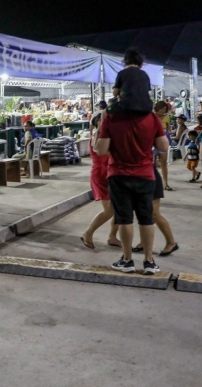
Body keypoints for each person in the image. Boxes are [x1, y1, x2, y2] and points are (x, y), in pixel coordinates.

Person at [95, 98, 169, 275]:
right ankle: (149, 261)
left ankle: (127, 260)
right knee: (146, 218)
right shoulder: (152, 118)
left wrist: (103, 125)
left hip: (119, 176)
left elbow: (101, 150)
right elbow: (163, 146)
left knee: (124, 218)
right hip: (144, 175)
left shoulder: (111, 118)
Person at [81, 103, 121, 250]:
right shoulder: (97, 134)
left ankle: (112, 237)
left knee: (119, 208)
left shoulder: (107, 135)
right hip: (101, 175)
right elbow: (102, 152)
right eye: (103, 119)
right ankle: (88, 233)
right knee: (109, 210)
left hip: (111, 173)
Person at [131, 164, 179, 256]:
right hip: (138, 177)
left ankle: (171, 242)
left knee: (154, 213)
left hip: (149, 177)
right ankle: (144, 242)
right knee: (142, 213)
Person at [106, 48, 153, 115]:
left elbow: (115, 93)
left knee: (106, 111)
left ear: (125, 61)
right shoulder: (145, 74)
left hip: (127, 107)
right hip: (146, 109)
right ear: (141, 62)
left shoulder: (122, 73)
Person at [153, 101, 172, 191]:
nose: (164, 111)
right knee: (151, 164)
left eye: (165, 109)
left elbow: (169, 130)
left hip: (163, 142)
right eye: (162, 109)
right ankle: (153, 183)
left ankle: (165, 183)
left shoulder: (166, 118)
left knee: (164, 163)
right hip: (152, 143)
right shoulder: (151, 117)